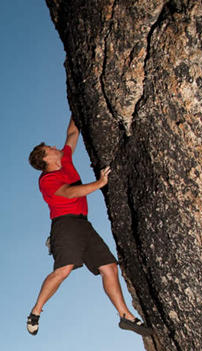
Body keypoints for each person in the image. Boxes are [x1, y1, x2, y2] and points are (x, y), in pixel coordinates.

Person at [26, 117, 151, 336]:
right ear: (45, 158)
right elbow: (70, 192)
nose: (55, 147)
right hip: (65, 226)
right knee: (63, 270)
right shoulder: (47, 180)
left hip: (84, 224)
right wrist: (99, 184)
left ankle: (125, 316)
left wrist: (76, 111)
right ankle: (36, 311)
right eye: (49, 148)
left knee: (109, 267)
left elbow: (72, 134)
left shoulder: (64, 159)